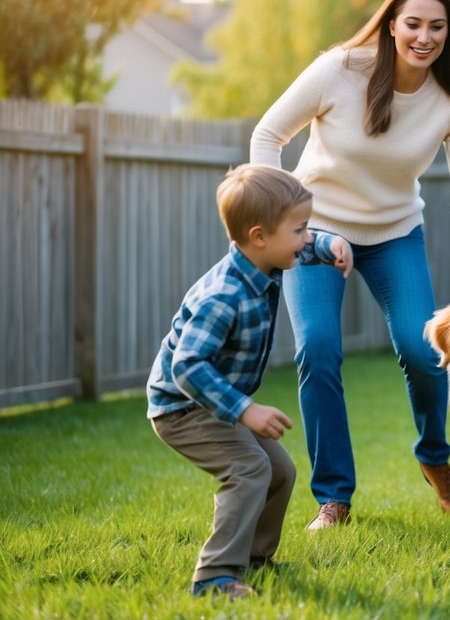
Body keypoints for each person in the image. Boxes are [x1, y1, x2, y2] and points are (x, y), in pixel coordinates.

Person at [250, 0, 450, 529]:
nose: (425, 37)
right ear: (391, 24)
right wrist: (284, 225)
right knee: (318, 349)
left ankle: (436, 461)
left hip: (395, 235)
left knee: (426, 351)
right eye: (414, 24)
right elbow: (266, 136)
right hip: (315, 235)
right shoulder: (339, 71)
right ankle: (335, 498)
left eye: (438, 27)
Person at [147, 164, 353, 599]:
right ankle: (215, 577)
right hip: (182, 408)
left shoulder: (263, 262)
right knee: (249, 468)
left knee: (280, 470)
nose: (305, 238)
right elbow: (187, 367)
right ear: (260, 236)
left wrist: (330, 243)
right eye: (300, 230)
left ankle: (256, 561)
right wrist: (246, 409)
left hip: (213, 402)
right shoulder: (224, 295)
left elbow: (301, 248)